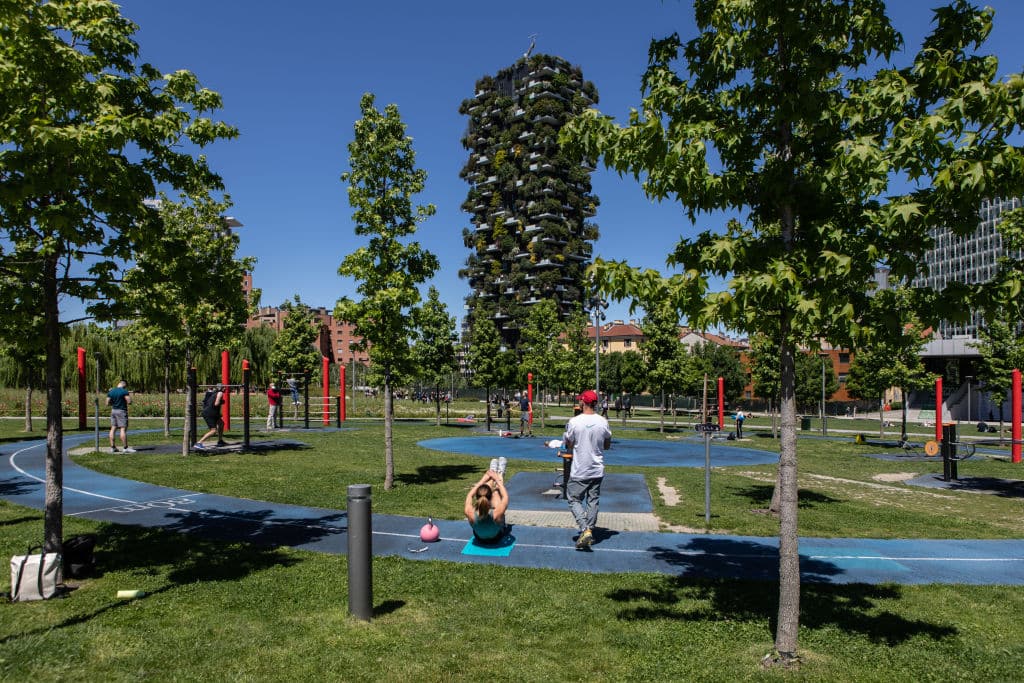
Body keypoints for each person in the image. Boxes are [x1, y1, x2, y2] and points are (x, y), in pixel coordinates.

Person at [562, 389, 612, 550]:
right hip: (596, 468)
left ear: (583, 402)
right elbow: (607, 444)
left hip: (580, 469)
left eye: (580, 401)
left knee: (573, 498)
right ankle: (589, 529)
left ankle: (584, 528)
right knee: (593, 500)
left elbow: (569, 445)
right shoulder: (603, 421)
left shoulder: (574, 422)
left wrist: (569, 440)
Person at [464, 458, 509, 543]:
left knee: (486, 487)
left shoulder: (469, 512)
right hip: (496, 538)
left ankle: (492, 472)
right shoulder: (497, 513)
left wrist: (482, 481)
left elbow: (469, 495)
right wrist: (497, 480)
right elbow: (505, 496)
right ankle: (500, 473)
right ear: (490, 497)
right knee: (496, 492)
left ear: (477, 497)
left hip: (479, 538)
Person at [106, 380, 135, 453]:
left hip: (113, 411)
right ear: (124, 385)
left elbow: (107, 403)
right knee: (122, 429)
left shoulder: (111, 391)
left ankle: (112, 447)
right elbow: (129, 401)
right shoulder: (124, 391)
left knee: (113, 429)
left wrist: (114, 402)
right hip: (121, 411)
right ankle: (125, 448)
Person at [195, 383, 227, 449]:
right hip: (209, 413)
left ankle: (220, 441)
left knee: (221, 424)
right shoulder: (220, 393)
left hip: (214, 413)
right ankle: (199, 443)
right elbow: (216, 403)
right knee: (213, 430)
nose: (225, 389)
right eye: (224, 387)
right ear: (221, 388)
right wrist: (222, 402)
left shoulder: (214, 393)